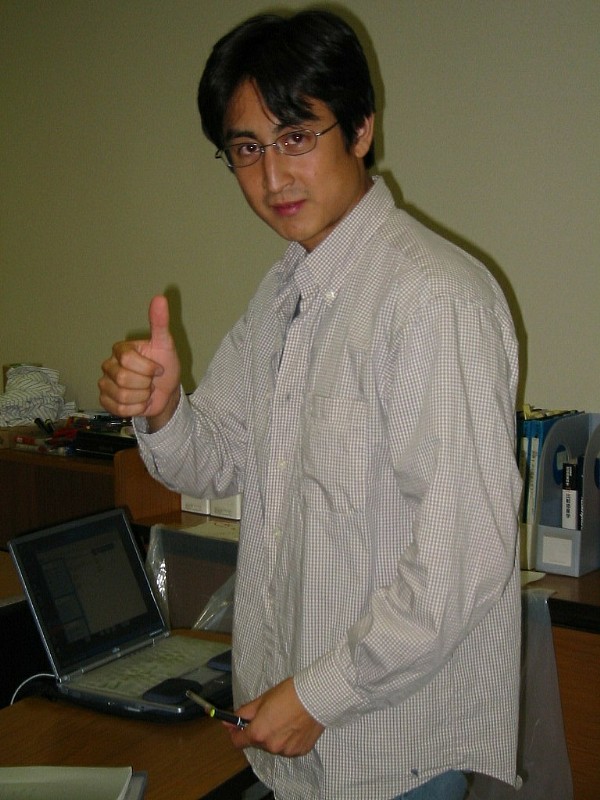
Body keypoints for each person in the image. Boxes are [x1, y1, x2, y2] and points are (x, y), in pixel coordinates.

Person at [99, 10, 522, 800]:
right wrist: (163, 410)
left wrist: (319, 697)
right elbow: (220, 455)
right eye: (247, 149)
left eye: (296, 137)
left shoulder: (431, 297)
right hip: (297, 740)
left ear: (360, 129)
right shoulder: (285, 292)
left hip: (390, 754)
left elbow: (464, 556)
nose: (272, 177)